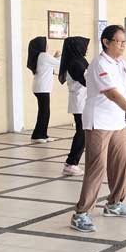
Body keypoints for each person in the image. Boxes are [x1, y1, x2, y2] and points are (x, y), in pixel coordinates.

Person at [69, 25, 126, 233]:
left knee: (123, 161)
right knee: (96, 166)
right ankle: (81, 213)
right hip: (98, 121)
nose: (123, 45)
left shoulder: (120, 63)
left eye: (125, 42)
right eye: (119, 41)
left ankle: (114, 202)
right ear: (106, 42)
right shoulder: (99, 63)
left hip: (117, 122)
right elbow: (113, 94)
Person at [58, 36, 90, 176]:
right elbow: (86, 81)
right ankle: (71, 163)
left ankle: (72, 161)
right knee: (81, 132)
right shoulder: (75, 63)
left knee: (84, 132)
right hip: (80, 101)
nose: (86, 48)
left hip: (82, 100)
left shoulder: (78, 60)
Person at [26, 36, 61, 143]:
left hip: (40, 87)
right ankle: (38, 135)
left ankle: (42, 134)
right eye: (46, 43)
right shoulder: (44, 56)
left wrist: (57, 56)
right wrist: (61, 56)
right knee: (44, 112)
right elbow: (59, 64)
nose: (47, 45)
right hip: (42, 88)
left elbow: (51, 65)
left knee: (44, 111)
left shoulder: (40, 56)